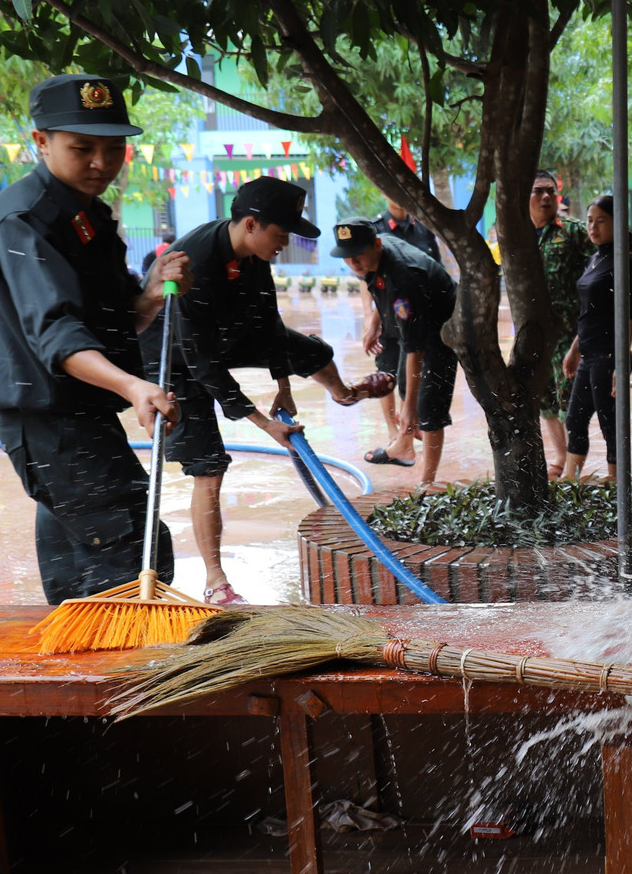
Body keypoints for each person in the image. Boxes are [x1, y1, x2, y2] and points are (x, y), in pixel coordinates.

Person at [0, 74, 187, 605]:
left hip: (82, 413)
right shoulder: (25, 217)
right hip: (50, 423)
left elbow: (112, 322)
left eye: (114, 150)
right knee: (130, 553)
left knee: (97, 554)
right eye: (82, 148)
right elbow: (58, 334)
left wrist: (152, 293)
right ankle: (121, 672)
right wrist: (134, 387)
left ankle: (90, 666)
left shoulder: (88, 214)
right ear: (41, 141)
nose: (100, 163)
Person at [142, 177, 392, 605]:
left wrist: (284, 387)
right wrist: (262, 424)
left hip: (224, 336)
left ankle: (344, 393)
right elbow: (205, 365)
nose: (286, 244)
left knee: (312, 350)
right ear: (253, 224)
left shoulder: (256, 256)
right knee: (208, 466)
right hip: (177, 361)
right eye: (282, 234)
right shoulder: (195, 260)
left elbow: (269, 324)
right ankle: (216, 581)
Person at [337, 218, 458, 487]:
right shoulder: (373, 257)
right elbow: (381, 290)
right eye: (347, 257)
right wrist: (374, 321)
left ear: (376, 245)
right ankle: (404, 447)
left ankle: (427, 483)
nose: (354, 264)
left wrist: (409, 408)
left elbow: (416, 348)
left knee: (428, 405)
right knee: (405, 384)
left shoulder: (405, 276)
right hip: (416, 319)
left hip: (444, 326)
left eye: (358, 256)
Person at [559, 194, 632, 481]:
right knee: (574, 419)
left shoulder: (626, 265)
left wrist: (621, 364)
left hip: (609, 356)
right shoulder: (596, 258)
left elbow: (628, 318)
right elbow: (588, 313)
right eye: (590, 221)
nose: (593, 227)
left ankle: (616, 485)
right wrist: (575, 349)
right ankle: (569, 481)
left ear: (616, 223)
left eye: (601, 221)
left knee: (611, 425)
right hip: (589, 353)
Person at [531, 170, 593, 477]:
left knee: (570, 402)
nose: (545, 197)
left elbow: (601, 272)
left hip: (570, 335)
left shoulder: (574, 231)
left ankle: (573, 466)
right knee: (545, 400)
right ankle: (559, 456)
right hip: (534, 336)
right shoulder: (518, 235)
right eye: (538, 191)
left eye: (550, 191)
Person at [366, 197, 440, 441]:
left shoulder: (423, 229)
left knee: (414, 369)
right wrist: (371, 320)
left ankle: (410, 422)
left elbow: (434, 270)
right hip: (387, 315)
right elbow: (365, 283)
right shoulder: (376, 230)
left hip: (419, 318)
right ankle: (392, 431)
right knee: (385, 372)